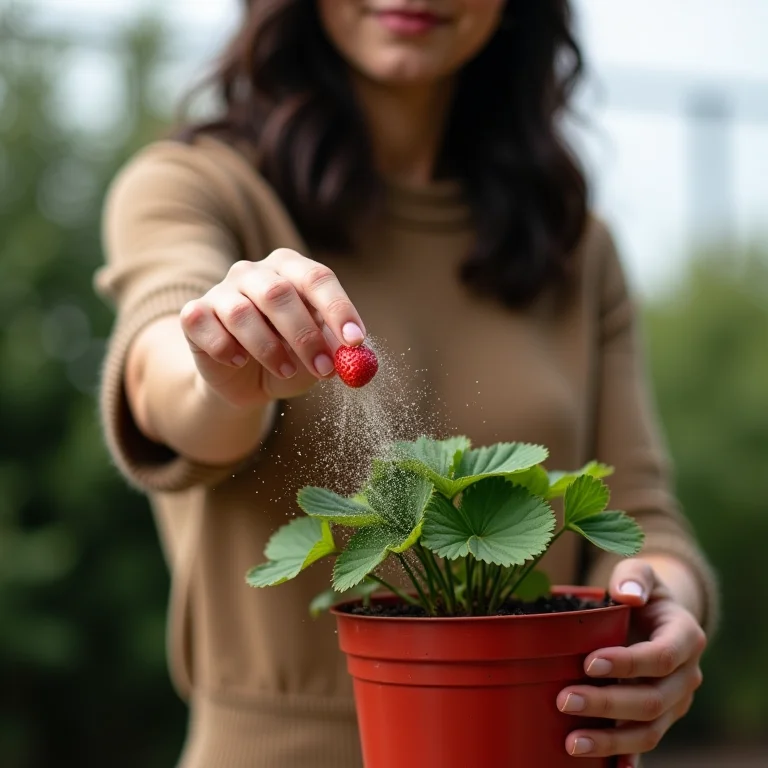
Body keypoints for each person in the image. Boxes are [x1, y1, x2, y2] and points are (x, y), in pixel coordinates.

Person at [94, 1, 718, 766]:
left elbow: (639, 516)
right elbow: (163, 373)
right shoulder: (198, 189)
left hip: (545, 743)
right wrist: (219, 373)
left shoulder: (572, 244)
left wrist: (662, 604)